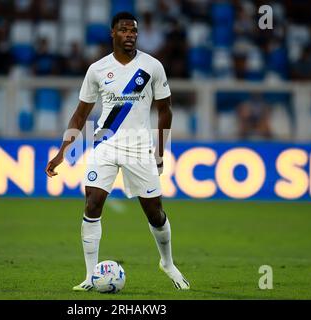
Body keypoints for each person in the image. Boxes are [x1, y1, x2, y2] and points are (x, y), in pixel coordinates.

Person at [45, 12, 190, 291]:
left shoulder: (152, 66)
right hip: (105, 143)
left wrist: (161, 151)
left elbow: (165, 110)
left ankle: (167, 263)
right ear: (113, 34)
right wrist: (63, 151)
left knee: (155, 213)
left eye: (133, 30)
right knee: (92, 203)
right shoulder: (97, 69)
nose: (130, 34)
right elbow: (79, 115)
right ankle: (90, 276)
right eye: (124, 30)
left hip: (139, 148)